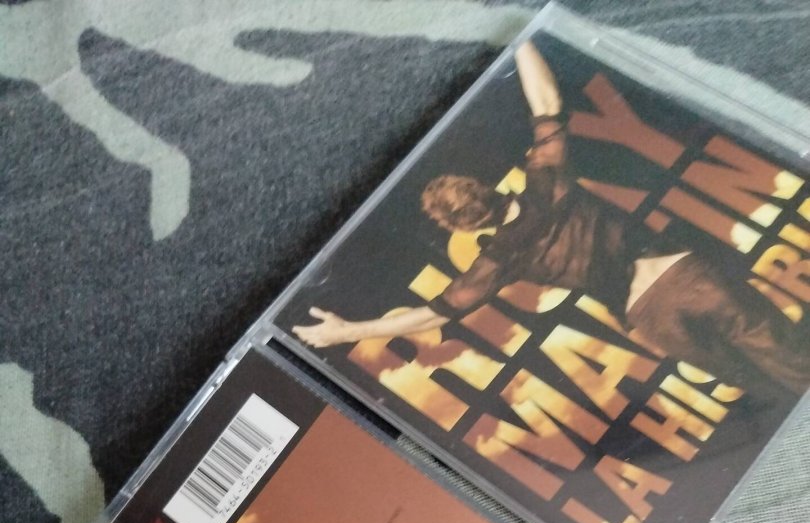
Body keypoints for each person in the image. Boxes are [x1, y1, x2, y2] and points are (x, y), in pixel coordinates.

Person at [293, 42, 808, 397]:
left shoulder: (500, 259)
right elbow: (547, 104)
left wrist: (349, 330)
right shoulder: (547, 181)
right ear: (483, 187)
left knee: (762, 386)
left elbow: (432, 315)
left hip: (651, 317)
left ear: (465, 228)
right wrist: (520, 36)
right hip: (682, 275)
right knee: (789, 358)